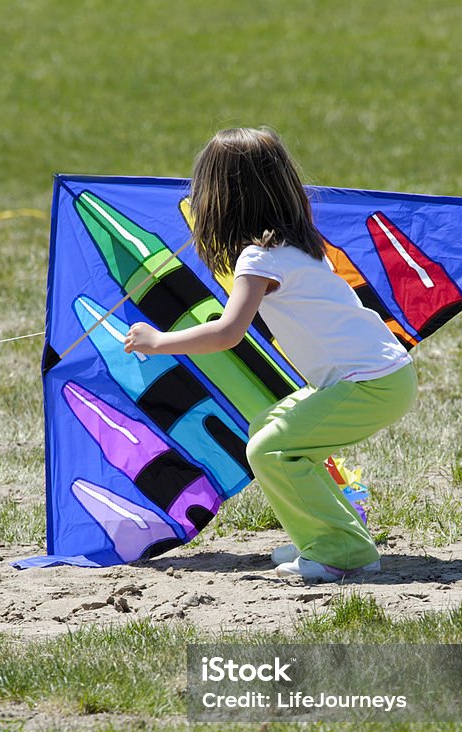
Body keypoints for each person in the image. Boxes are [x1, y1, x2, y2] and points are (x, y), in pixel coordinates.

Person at [124, 127, 417, 582]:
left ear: (224, 199)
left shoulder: (259, 258)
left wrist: (159, 341)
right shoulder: (296, 242)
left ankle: (343, 551)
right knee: (269, 428)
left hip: (370, 383)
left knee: (271, 449)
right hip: (383, 375)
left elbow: (228, 332)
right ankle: (326, 533)